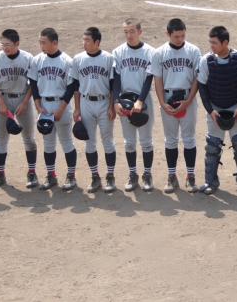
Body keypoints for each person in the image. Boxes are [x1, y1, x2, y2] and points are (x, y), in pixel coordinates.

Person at [198, 26, 237, 194]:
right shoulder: (206, 61)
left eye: (214, 42)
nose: (211, 45)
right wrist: (210, 110)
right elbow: (202, 87)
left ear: (225, 42)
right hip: (215, 108)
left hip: (235, 107)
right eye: (210, 42)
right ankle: (210, 181)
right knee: (212, 146)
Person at [149, 19, 201, 193]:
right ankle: (172, 176)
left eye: (183, 35)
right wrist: (163, 103)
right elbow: (157, 80)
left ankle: (190, 176)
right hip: (168, 98)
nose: (180, 39)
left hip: (188, 97)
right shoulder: (159, 53)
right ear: (168, 34)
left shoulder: (193, 51)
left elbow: (197, 79)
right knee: (170, 139)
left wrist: (189, 100)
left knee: (189, 139)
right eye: (176, 36)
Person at [0, 29, 37, 190]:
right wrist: (2, 104)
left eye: (7, 44)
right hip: (4, 100)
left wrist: (25, 102)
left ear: (17, 43)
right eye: (2, 44)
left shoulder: (27, 58)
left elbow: (33, 83)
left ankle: (32, 172)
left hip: (23, 99)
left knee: (29, 138)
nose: (4, 47)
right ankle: (0, 173)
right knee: (1, 139)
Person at [29, 28, 77, 191]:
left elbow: (71, 88)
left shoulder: (66, 61)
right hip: (44, 105)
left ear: (54, 42)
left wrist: (61, 109)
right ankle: (51, 175)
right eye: (40, 43)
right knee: (48, 143)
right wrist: (38, 106)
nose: (41, 46)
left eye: (44, 43)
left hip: (61, 104)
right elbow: (33, 84)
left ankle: (71, 175)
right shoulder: (37, 60)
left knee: (66, 142)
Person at [112, 18, 156, 192]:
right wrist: (116, 101)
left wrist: (140, 100)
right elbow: (116, 78)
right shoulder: (118, 52)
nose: (128, 35)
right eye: (125, 32)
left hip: (143, 100)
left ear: (140, 32)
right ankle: (133, 174)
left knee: (146, 141)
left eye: (132, 31)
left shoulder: (150, 52)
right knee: (129, 142)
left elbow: (149, 78)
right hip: (124, 101)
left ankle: (147, 174)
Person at [71, 27, 116, 193]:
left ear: (97, 42)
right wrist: (77, 108)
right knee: (89, 141)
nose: (84, 43)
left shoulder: (108, 58)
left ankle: (110, 176)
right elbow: (75, 85)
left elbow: (113, 85)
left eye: (87, 40)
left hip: (104, 102)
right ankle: (95, 176)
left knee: (107, 140)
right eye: (83, 40)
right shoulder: (78, 59)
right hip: (86, 103)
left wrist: (112, 106)